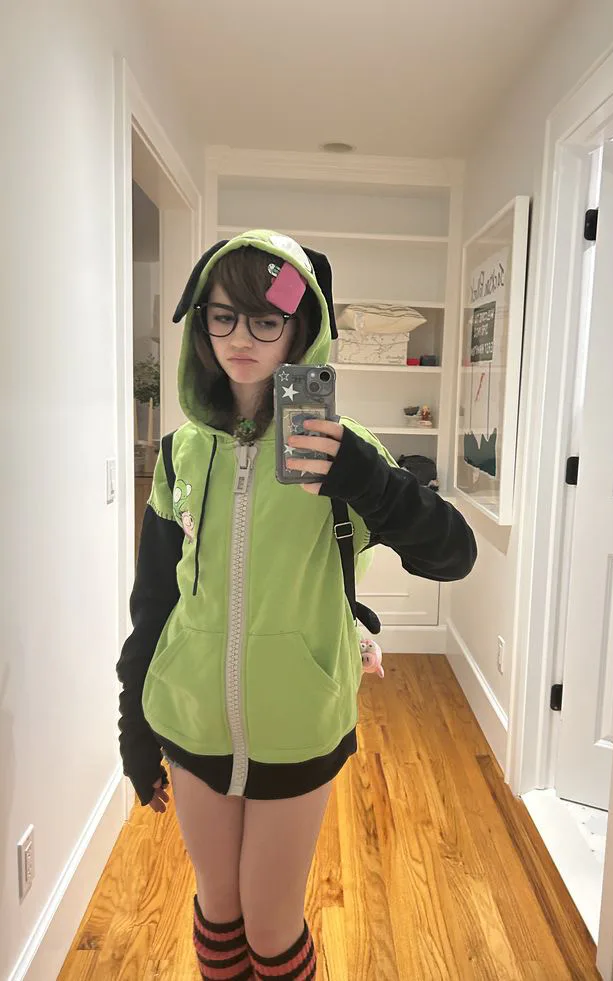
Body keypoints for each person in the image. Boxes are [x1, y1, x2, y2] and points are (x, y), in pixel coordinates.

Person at [116, 230, 477, 981]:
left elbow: (453, 554)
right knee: (218, 908)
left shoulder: (343, 449)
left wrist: (365, 477)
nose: (241, 338)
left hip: (298, 723)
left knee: (272, 926)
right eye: (223, 316)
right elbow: (154, 600)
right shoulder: (181, 455)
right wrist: (134, 723)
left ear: (299, 327)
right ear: (201, 323)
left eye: (266, 319)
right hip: (189, 716)